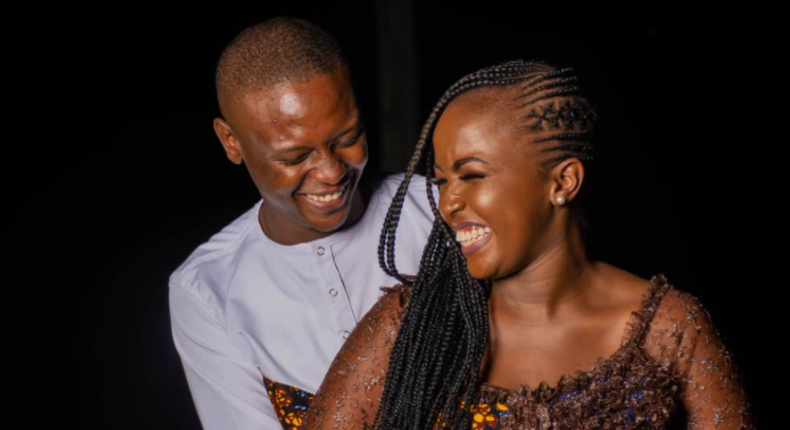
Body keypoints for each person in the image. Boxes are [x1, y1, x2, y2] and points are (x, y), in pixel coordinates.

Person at [303, 60, 756, 429]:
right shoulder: (410, 322)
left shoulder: (669, 328)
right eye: (441, 180)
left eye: (472, 175)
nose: (448, 202)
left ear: (563, 181)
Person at [167, 17, 436, 430]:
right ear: (230, 141)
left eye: (348, 138)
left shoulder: (441, 212)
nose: (331, 172)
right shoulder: (206, 290)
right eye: (294, 157)